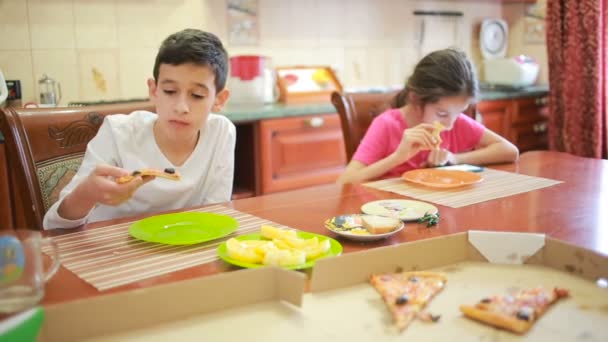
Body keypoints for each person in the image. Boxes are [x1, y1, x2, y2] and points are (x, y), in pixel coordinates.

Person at [43, 29, 235, 229]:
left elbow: (216, 214)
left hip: (184, 249)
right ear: (154, 90)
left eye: (196, 95)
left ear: (219, 99)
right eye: (170, 91)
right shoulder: (118, 132)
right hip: (114, 250)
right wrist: (88, 193)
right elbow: (53, 225)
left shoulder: (221, 133)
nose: (181, 107)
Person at [337, 48, 519, 185]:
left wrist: (455, 159)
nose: (449, 124)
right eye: (441, 114)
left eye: (459, 112)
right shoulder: (387, 125)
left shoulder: (455, 123)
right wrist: (398, 157)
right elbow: (345, 181)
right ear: (416, 99)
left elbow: (510, 151)